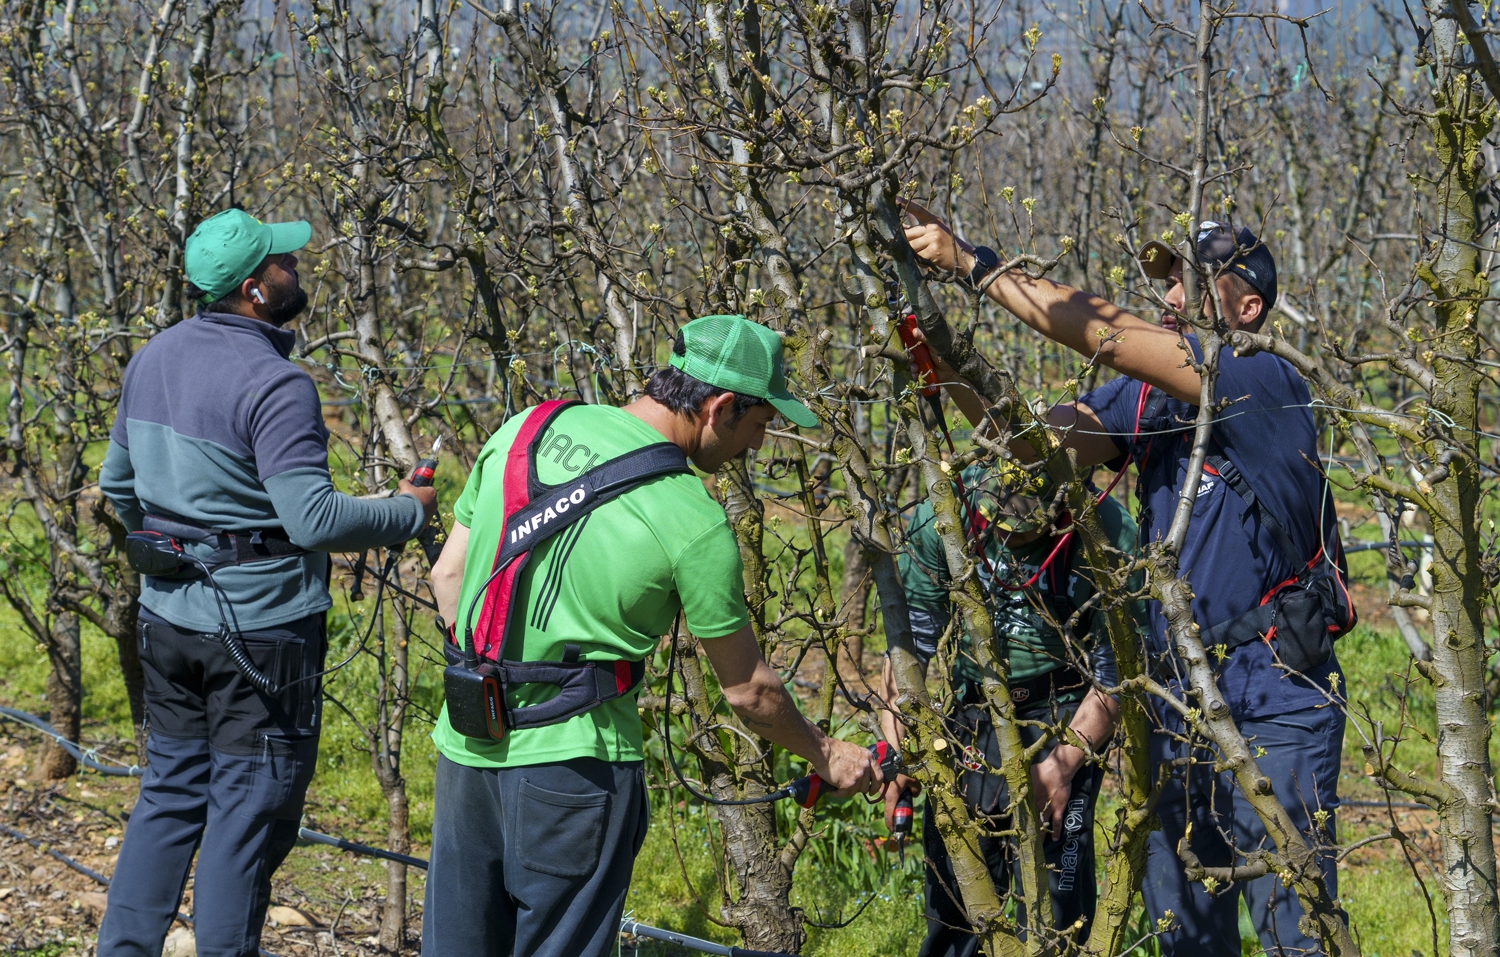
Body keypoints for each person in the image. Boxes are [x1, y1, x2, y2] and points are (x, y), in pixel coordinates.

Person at [902, 203, 1351, 956]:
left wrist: (973, 263)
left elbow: (1104, 334)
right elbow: (1027, 447)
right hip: (1175, 703)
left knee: (1295, 933)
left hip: (1274, 700)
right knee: (1184, 937)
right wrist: (943, 359)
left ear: (1248, 307)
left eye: (1192, 282)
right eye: (1168, 283)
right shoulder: (1147, 399)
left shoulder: (1263, 375)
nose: (1172, 298)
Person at [422, 314, 884, 957]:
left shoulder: (528, 428)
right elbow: (749, 691)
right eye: (759, 425)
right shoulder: (691, 516)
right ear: (720, 407)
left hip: (467, 744)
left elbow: (448, 576)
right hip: (574, 774)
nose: (758, 445)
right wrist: (824, 752)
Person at [97, 208, 438, 957]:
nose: (296, 269)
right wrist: (406, 514)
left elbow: (117, 484)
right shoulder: (276, 383)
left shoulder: (152, 356)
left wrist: (173, 542)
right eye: (284, 263)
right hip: (261, 632)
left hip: (167, 615)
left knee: (169, 794)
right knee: (248, 814)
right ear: (255, 289)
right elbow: (312, 518)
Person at [882, 470, 1136, 955]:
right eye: (997, 525)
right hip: (974, 709)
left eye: (1026, 532)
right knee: (959, 886)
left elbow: (1120, 668)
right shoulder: (942, 513)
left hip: (1067, 713)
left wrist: (1063, 764)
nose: (1008, 539)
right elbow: (907, 645)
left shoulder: (1104, 530)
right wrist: (898, 747)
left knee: (1058, 894)